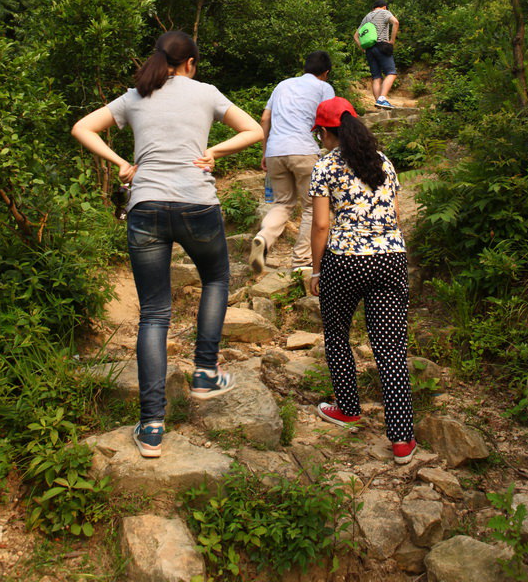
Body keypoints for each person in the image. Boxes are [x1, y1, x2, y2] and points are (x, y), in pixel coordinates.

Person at [71, 31, 263, 459]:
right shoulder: (207, 93)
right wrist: (214, 151)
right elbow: (254, 130)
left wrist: (123, 163)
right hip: (197, 204)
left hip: (147, 207)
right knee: (216, 278)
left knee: (154, 314)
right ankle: (205, 373)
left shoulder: (134, 96)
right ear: (190, 63)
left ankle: (153, 426)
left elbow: (81, 127)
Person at [308, 97, 416, 465]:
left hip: (346, 261)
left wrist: (316, 269)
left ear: (325, 132)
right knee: (391, 349)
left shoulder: (325, 166)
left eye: (319, 134)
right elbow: (396, 214)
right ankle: (402, 440)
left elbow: (322, 224)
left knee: (337, 333)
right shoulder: (382, 161)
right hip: (390, 258)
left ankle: (348, 409)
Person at [249, 51, 335, 275]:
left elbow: (265, 119)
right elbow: (329, 118)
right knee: (311, 206)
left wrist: (265, 152)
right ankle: (302, 260)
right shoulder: (324, 88)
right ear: (325, 73)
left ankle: (263, 238)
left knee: (283, 203)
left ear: (305, 67)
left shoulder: (282, 85)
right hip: (304, 150)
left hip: (276, 152)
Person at [354, 0, 399, 108]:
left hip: (369, 49)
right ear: (384, 7)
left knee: (376, 77)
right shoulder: (384, 12)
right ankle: (382, 98)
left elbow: (356, 36)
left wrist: (362, 48)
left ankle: (379, 103)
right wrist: (392, 41)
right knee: (391, 73)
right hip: (382, 46)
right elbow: (396, 22)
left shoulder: (367, 17)